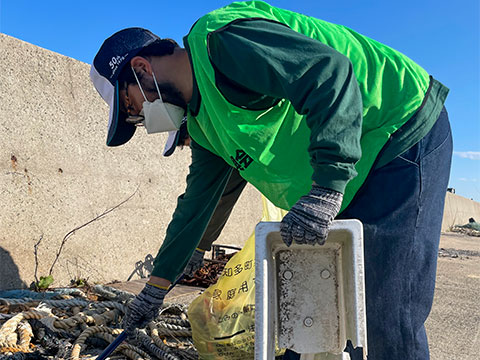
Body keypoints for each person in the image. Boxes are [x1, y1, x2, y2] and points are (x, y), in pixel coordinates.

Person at [90, 1, 452, 359]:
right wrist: (157, 286)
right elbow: (200, 204)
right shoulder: (203, 126)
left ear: (141, 68)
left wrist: (326, 190)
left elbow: (329, 72)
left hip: (399, 129)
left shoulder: (221, 42)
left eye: (132, 107)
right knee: (311, 315)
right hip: (351, 170)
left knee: (386, 313)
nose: (142, 120)